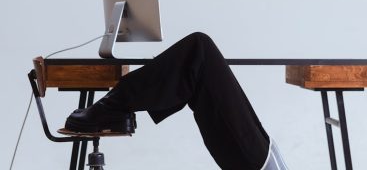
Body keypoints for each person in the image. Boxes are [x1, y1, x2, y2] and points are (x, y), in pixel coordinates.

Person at [65, 32, 288, 170]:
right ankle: (117, 106)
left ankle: (113, 105)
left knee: (200, 49)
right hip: (262, 156)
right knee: (196, 65)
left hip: (259, 164)